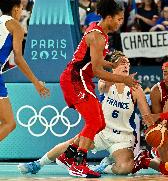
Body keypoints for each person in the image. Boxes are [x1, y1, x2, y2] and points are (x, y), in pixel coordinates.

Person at [30, 0, 135, 178]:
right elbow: (96, 70)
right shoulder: (98, 36)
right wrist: (123, 79)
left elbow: (94, 61)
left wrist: (111, 63)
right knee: (94, 122)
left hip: (80, 79)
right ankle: (78, 164)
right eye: (118, 19)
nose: (120, 22)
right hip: (75, 79)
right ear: (109, 17)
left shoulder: (99, 30)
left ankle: (67, 156)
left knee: (100, 123)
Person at [18, 52, 149, 175]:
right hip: (101, 132)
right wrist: (118, 77)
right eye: (121, 63)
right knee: (71, 143)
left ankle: (103, 167)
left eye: (127, 63)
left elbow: (146, 115)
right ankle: (38, 164)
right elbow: (103, 83)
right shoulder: (106, 83)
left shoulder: (135, 89)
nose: (126, 65)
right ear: (113, 66)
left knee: (125, 168)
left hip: (123, 137)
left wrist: (152, 127)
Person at [0, 0, 49, 141]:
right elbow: (19, 58)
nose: (21, 11)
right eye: (21, 8)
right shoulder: (16, 26)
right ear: (16, 8)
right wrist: (36, 82)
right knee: (9, 123)